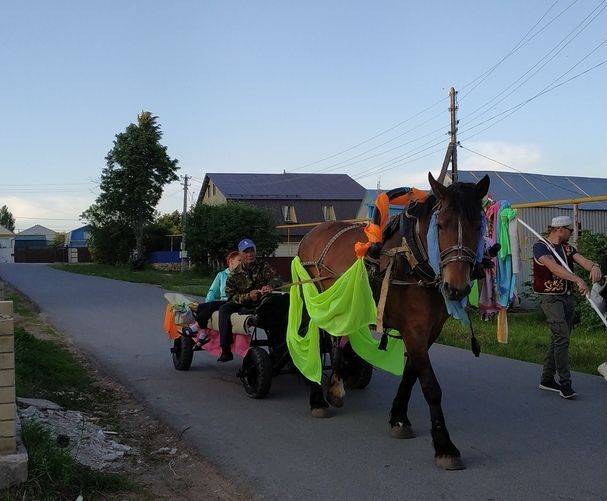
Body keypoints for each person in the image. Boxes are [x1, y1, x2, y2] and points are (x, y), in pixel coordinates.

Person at [532, 215, 603, 399]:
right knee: (562, 337)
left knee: (559, 338)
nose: (572, 234)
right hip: (551, 299)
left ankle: (547, 379)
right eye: (571, 230)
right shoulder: (540, 247)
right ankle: (565, 383)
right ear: (560, 229)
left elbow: (581, 260)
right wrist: (577, 279)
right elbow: (554, 268)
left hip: (568, 297)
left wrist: (594, 266)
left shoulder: (566, 248)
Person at [216, 238, 282, 362]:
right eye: (246, 252)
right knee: (224, 309)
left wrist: (270, 286)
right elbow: (231, 296)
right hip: (243, 303)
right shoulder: (234, 274)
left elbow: (277, 278)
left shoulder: (264, 266)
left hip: (263, 301)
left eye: (252, 251)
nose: (249, 254)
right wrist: (248, 296)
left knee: (280, 307)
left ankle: (280, 349)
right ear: (240, 254)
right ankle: (225, 349)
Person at [193, 251, 241, 346]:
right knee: (203, 306)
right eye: (239, 260)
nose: (242, 263)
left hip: (234, 302)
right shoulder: (222, 275)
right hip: (223, 301)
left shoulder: (242, 275)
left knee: (211, 306)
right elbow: (213, 291)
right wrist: (207, 304)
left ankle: (197, 327)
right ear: (231, 262)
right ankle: (203, 333)